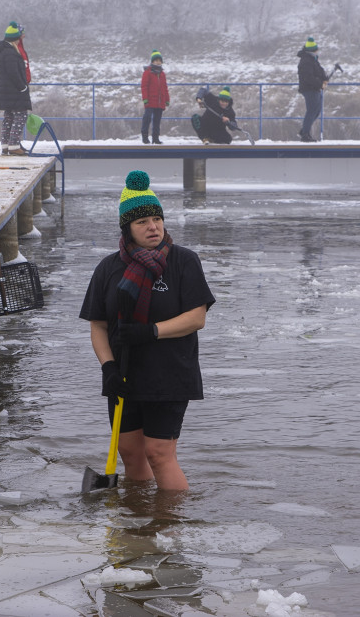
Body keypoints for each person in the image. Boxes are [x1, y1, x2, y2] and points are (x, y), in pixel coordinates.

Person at [80, 171, 215, 491]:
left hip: (169, 373)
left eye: (157, 219)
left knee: (158, 452)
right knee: (130, 452)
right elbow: (98, 325)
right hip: (123, 375)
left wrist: (150, 332)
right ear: (127, 229)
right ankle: (139, 521)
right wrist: (108, 367)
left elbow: (196, 317)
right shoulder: (108, 268)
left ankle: (171, 525)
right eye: (142, 222)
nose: (153, 226)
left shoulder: (183, 262)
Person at [0, 21, 32, 156]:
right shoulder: (10, 52)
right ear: (15, 38)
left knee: (9, 116)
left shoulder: (2, 50)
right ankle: (14, 145)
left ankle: (6, 144)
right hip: (13, 90)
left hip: (4, 90)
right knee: (20, 115)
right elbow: (13, 72)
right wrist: (22, 87)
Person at [297, 36, 331, 142]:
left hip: (315, 88)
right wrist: (320, 84)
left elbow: (319, 71)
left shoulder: (313, 59)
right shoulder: (306, 61)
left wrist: (324, 79)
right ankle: (305, 135)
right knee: (312, 111)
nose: (318, 51)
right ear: (312, 50)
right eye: (316, 49)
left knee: (316, 111)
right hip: (309, 89)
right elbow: (308, 77)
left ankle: (304, 131)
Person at [140, 50, 169, 145]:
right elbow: (144, 86)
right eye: (156, 60)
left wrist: (167, 99)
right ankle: (145, 136)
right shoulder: (147, 72)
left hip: (160, 101)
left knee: (157, 120)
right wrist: (145, 99)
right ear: (152, 61)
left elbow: (165, 87)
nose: (158, 62)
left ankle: (155, 138)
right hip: (150, 100)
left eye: (159, 60)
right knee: (147, 118)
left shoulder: (162, 74)